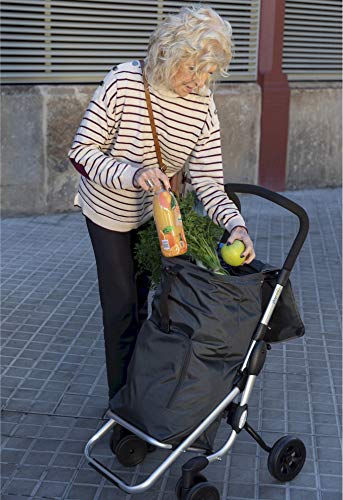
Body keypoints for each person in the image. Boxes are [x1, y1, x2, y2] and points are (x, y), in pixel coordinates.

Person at [68, 5, 255, 404]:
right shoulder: (124, 82)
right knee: (121, 309)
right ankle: (123, 409)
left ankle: (144, 396)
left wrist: (235, 225)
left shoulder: (203, 106)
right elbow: (81, 152)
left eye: (209, 72)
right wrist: (133, 174)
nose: (201, 81)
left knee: (150, 307)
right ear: (171, 52)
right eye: (194, 69)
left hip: (159, 217)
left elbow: (208, 181)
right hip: (109, 210)